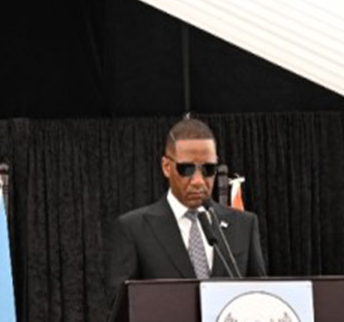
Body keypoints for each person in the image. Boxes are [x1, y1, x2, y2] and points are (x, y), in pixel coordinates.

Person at [107, 117, 266, 292]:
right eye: (186, 169)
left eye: (208, 169)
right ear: (166, 166)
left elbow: (259, 299)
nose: (198, 181)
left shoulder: (243, 225)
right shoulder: (135, 229)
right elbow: (122, 308)